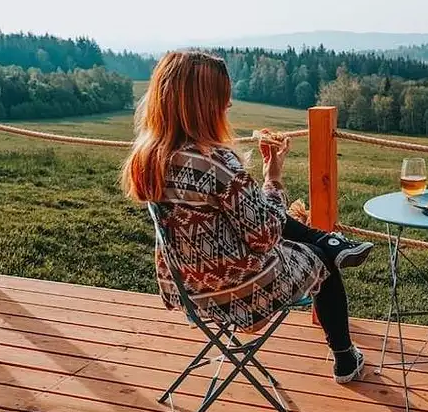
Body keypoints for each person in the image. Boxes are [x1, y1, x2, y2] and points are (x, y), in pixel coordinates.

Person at [121, 50, 373, 384]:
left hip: (186, 289)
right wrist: (273, 178)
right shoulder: (217, 163)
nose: (227, 106)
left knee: (310, 243)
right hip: (244, 294)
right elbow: (266, 235)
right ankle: (345, 358)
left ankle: (328, 241)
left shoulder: (147, 158)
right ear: (202, 103)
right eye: (222, 98)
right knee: (321, 261)